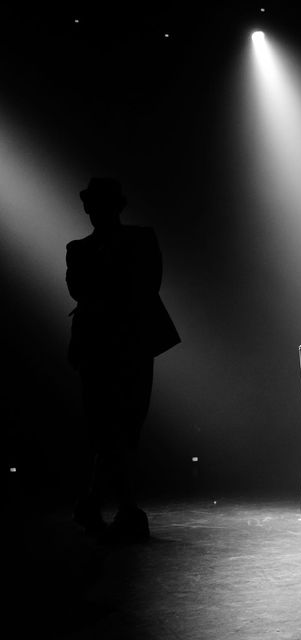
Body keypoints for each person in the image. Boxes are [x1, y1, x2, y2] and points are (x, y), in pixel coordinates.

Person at [66, 177, 180, 542]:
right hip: (102, 346)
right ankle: (122, 508)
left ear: (114, 206)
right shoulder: (80, 248)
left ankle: (98, 503)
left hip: (128, 344)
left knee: (121, 428)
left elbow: (149, 283)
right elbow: (80, 290)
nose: (93, 210)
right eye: (91, 204)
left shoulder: (139, 239)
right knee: (109, 428)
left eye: (99, 203)